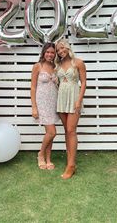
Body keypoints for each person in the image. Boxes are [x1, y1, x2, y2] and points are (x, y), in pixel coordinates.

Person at [55, 39, 86, 179]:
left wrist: (79, 101)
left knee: (71, 130)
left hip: (74, 98)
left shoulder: (78, 62)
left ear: (67, 48)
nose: (61, 51)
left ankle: (71, 165)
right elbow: (58, 82)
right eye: (58, 50)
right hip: (61, 98)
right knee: (66, 131)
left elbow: (84, 82)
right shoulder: (58, 64)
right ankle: (70, 161)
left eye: (62, 48)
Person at [30, 42, 59, 170]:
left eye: (52, 52)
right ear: (43, 53)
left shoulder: (56, 67)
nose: (50, 54)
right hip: (42, 102)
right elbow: (33, 87)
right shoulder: (38, 66)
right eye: (47, 52)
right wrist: (34, 107)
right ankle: (41, 154)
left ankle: (48, 159)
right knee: (52, 132)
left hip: (54, 102)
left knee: (49, 133)